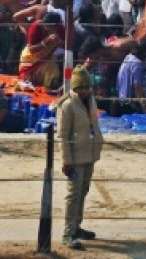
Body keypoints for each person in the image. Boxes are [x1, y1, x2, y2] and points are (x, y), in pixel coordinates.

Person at [56, 66, 104, 250]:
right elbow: (62, 136)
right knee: (73, 196)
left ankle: (76, 227)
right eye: (81, 88)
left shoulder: (90, 100)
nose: (84, 90)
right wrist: (66, 161)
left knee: (83, 192)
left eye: (87, 87)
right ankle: (68, 233)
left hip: (90, 153)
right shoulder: (67, 105)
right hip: (75, 158)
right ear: (75, 88)